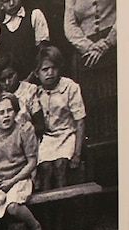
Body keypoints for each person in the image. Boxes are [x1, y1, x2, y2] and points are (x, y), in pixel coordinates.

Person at [0, 93, 44, 230]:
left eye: (10, 111)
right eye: (1, 113)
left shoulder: (23, 130)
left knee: (13, 207)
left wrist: (13, 180)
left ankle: (36, 227)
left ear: (15, 112)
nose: (6, 115)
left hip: (20, 179)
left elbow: (32, 162)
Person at [35, 45, 86, 191]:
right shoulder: (36, 92)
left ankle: (63, 207)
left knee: (60, 165)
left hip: (67, 134)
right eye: (45, 69)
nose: (50, 73)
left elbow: (80, 121)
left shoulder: (70, 87)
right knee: (45, 168)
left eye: (53, 68)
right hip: (47, 138)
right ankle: (49, 211)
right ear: (37, 73)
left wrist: (77, 153)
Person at [0, 0, 50, 80]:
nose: (11, 3)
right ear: (1, 4)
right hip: (11, 83)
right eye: (6, 1)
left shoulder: (34, 16)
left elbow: (43, 52)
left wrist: (33, 75)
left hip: (36, 77)